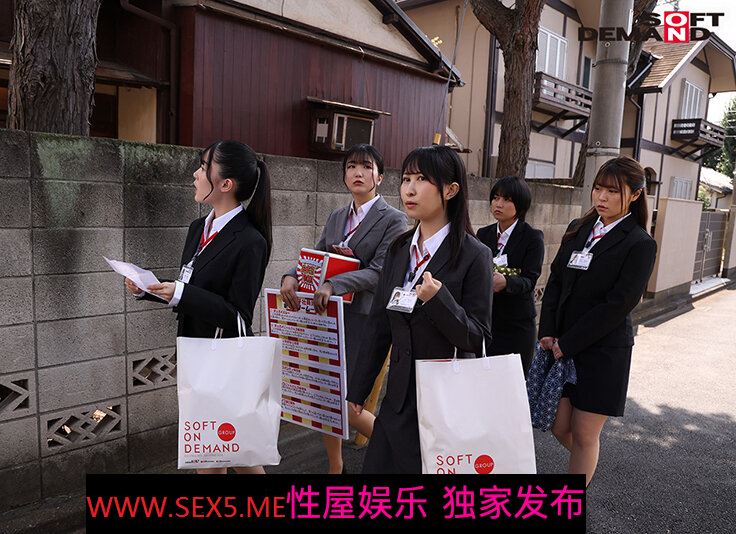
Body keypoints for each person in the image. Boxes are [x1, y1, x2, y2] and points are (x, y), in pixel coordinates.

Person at [125, 140, 272, 475]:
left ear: (226, 184)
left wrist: (180, 292)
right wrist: (148, 289)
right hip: (195, 353)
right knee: (234, 455)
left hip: (225, 362)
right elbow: (190, 286)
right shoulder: (198, 228)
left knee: (216, 457)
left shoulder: (251, 241)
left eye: (204, 167)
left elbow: (238, 317)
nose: (195, 174)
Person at [346, 145, 493, 474]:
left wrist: (438, 300)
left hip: (445, 403)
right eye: (406, 179)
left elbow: (477, 337)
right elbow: (379, 325)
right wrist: (360, 386)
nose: (409, 190)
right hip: (398, 399)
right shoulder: (399, 248)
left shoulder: (474, 255)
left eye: (422, 180)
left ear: (450, 190)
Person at [279, 144, 408, 474]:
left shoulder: (394, 219)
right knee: (326, 397)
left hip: (365, 320)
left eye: (366, 166)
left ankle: (403, 457)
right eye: (351, 167)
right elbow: (316, 256)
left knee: (347, 401)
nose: (358, 173)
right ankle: (336, 469)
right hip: (329, 317)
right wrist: (291, 275)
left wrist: (335, 282)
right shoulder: (338, 216)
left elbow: (381, 272)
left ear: (380, 176)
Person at [539, 156, 657, 486]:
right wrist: (548, 330)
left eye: (613, 191)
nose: (602, 197)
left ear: (635, 194)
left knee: (584, 434)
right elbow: (556, 281)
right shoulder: (579, 229)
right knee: (558, 425)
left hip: (603, 352)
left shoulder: (640, 243)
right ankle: (586, 464)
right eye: (598, 188)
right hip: (563, 346)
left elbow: (618, 305)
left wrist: (569, 342)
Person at [476, 176, 544, 373]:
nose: (498, 204)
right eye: (496, 198)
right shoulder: (483, 234)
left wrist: (506, 282)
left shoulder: (532, 237)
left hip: (517, 325)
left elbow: (530, 280)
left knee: (512, 382)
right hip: (487, 321)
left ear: (520, 205)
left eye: (506, 200)